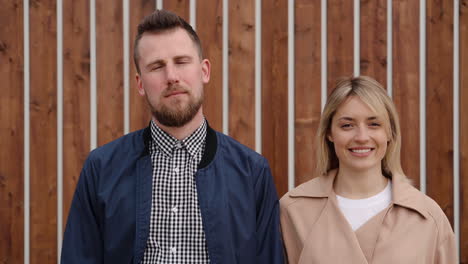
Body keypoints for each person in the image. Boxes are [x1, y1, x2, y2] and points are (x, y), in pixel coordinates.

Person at [61, 10, 283, 264]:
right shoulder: (101, 168)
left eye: (181, 61)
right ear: (140, 83)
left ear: (204, 71)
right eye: (156, 66)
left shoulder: (251, 173)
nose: (171, 77)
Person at [280, 76, 457, 263]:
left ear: (389, 132)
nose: (362, 137)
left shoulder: (428, 217)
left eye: (374, 124)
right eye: (347, 125)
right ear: (329, 133)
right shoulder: (293, 211)